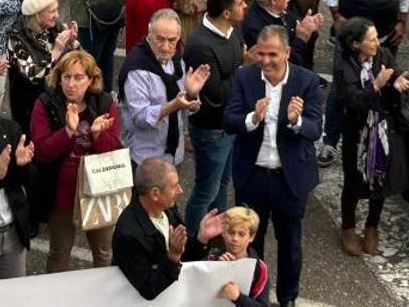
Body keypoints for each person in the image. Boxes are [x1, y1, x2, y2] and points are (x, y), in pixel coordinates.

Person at [224, 25, 322, 307]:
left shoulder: (307, 81)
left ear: (287, 53)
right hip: (252, 175)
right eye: (260, 54)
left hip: (288, 179)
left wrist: (295, 121)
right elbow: (230, 121)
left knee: (290, 244)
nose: (265, 61)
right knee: (250, 243)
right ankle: (256, 297)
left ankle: (288, 299)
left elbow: (315, 128)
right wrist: (253, 118)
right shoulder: (245, 76)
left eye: (272, 55)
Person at [29, 50, 118, 272]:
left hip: (97, 190)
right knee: (59, 252)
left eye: (79, 77)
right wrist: (68, 131)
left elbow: (113, 150)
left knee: (104, 251)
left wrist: (97, 135)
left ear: (91, 79)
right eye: (66, 77)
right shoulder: (45, 104)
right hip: (61, 192)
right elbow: (42, 152)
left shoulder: (105, 103)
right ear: (58, 79)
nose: (71, 84)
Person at [335, 16, 409, 256]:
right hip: (357, 130)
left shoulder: (383, 54)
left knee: (380, 176)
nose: (377, 43)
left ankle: (372, 227)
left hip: (382, 127)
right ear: (356, 44)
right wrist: (375, 86)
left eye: (377, 37)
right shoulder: (344, 65)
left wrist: (397, 81)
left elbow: (394, 72)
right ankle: (348, 228)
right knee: (353, 179)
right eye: (371, 39)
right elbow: (352, 100)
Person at [112, 158, 226, 300]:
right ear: (155, 194)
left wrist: (200, 238)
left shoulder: (168, 209)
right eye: (174, 186)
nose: (180, 190)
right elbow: (148, 289)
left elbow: (183, 258)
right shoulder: (129, 235)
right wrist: (173, 257)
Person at [182, 0, 246, 241]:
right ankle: (191, 241)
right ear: (226, 13)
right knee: (205, 190)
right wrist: (243, 70)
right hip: (211, 130)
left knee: (223, 183)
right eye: (240, 3)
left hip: (228, 125)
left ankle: (216, 232)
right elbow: (216, 94)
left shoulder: (233, 31)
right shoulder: (201, 46)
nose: (245, 6)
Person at [119, 9, 211, 167]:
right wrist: (174, 104)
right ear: (149, 33)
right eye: (160, 39)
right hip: (145, 159)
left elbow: (185, 107)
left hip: (174, 155)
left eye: (172, 40)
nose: (166, 47)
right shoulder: (136, 68)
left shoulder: (176, 60)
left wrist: (191, 94)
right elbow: (141, 118)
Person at [8, 0, 79, 137]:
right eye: (52, 12)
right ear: (37, 15)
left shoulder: (52, 27)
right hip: (29, 104)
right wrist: (56, 52)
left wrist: (72, 44)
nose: (57, 16)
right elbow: (32, 74)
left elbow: (76, 62)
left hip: (54, 99)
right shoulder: (16, 37)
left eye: (57, 10)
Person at [0, 85, 34, 281]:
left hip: (14, 232)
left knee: (14, 296)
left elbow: (30, 180)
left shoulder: (11, 130)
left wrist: (23, 165)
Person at [242, 0, 322, 67]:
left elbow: (294, 21)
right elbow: (281, 64)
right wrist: (301, 38)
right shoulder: (256, 28)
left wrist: (307, 24)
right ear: (274, 0)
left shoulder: (276, 9)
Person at [207, 206, 271, 306]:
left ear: (251, 237)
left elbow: (263, 305)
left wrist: (238, 297)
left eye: (241, 234)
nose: (235, 238)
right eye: (231, 232)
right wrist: (216, 268)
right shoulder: (211, 259)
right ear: (223, 232)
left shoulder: (260, 269)